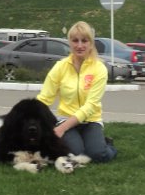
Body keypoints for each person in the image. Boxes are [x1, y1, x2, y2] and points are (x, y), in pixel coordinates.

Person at [36, 21, 117, 163]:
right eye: (75, 40)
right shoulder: (60, 66)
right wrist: (30, 118)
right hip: (65, 118)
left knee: (98, 155)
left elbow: (90, 105)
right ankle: (86, 143)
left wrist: (61, 129)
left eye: (84, 41)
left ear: (91, 43)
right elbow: (44, 98)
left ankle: (108, 145)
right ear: (70, 43)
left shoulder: (99, 68)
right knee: (76, 154)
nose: (79, 45)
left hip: (91, 121)